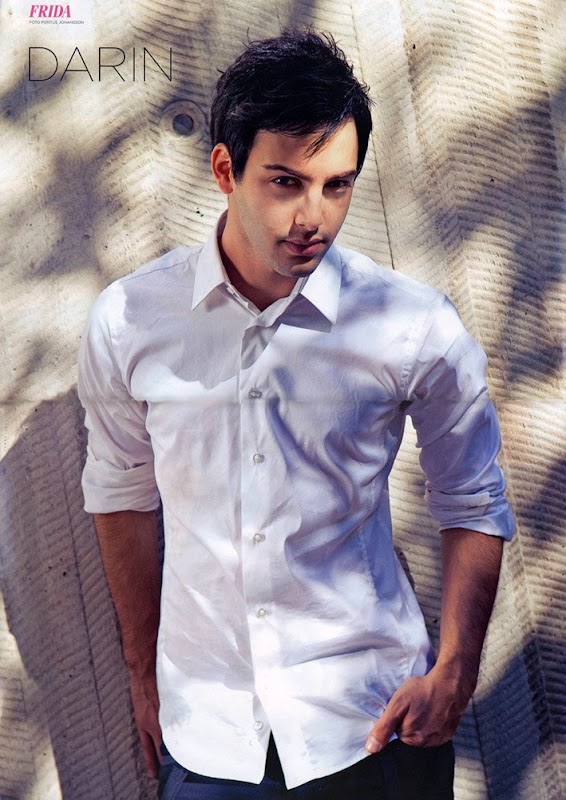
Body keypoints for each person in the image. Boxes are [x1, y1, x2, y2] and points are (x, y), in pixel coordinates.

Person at [78, 30, 515, 800]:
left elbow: (473, 497)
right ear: (226, 170)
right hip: (211, 739)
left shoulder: (411, 324)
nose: (314, 215)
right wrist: (142, 676)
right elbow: (121, 493)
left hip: (375, 729)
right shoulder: (130, 320)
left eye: (336, 185)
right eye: (285, 182)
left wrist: (454, 672)